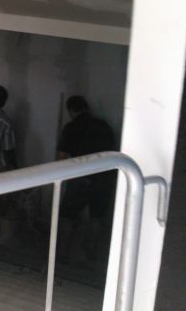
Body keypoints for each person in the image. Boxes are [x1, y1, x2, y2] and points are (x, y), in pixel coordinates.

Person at [57, 95, 117, 266]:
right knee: (96, 217)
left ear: (71, 110)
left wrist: (60, 179)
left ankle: (62, 254)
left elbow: (61, 158)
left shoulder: (71, 127)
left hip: (81, 178)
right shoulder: (104, 126)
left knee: (67, 216)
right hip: (105, 178)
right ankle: (89, 255)